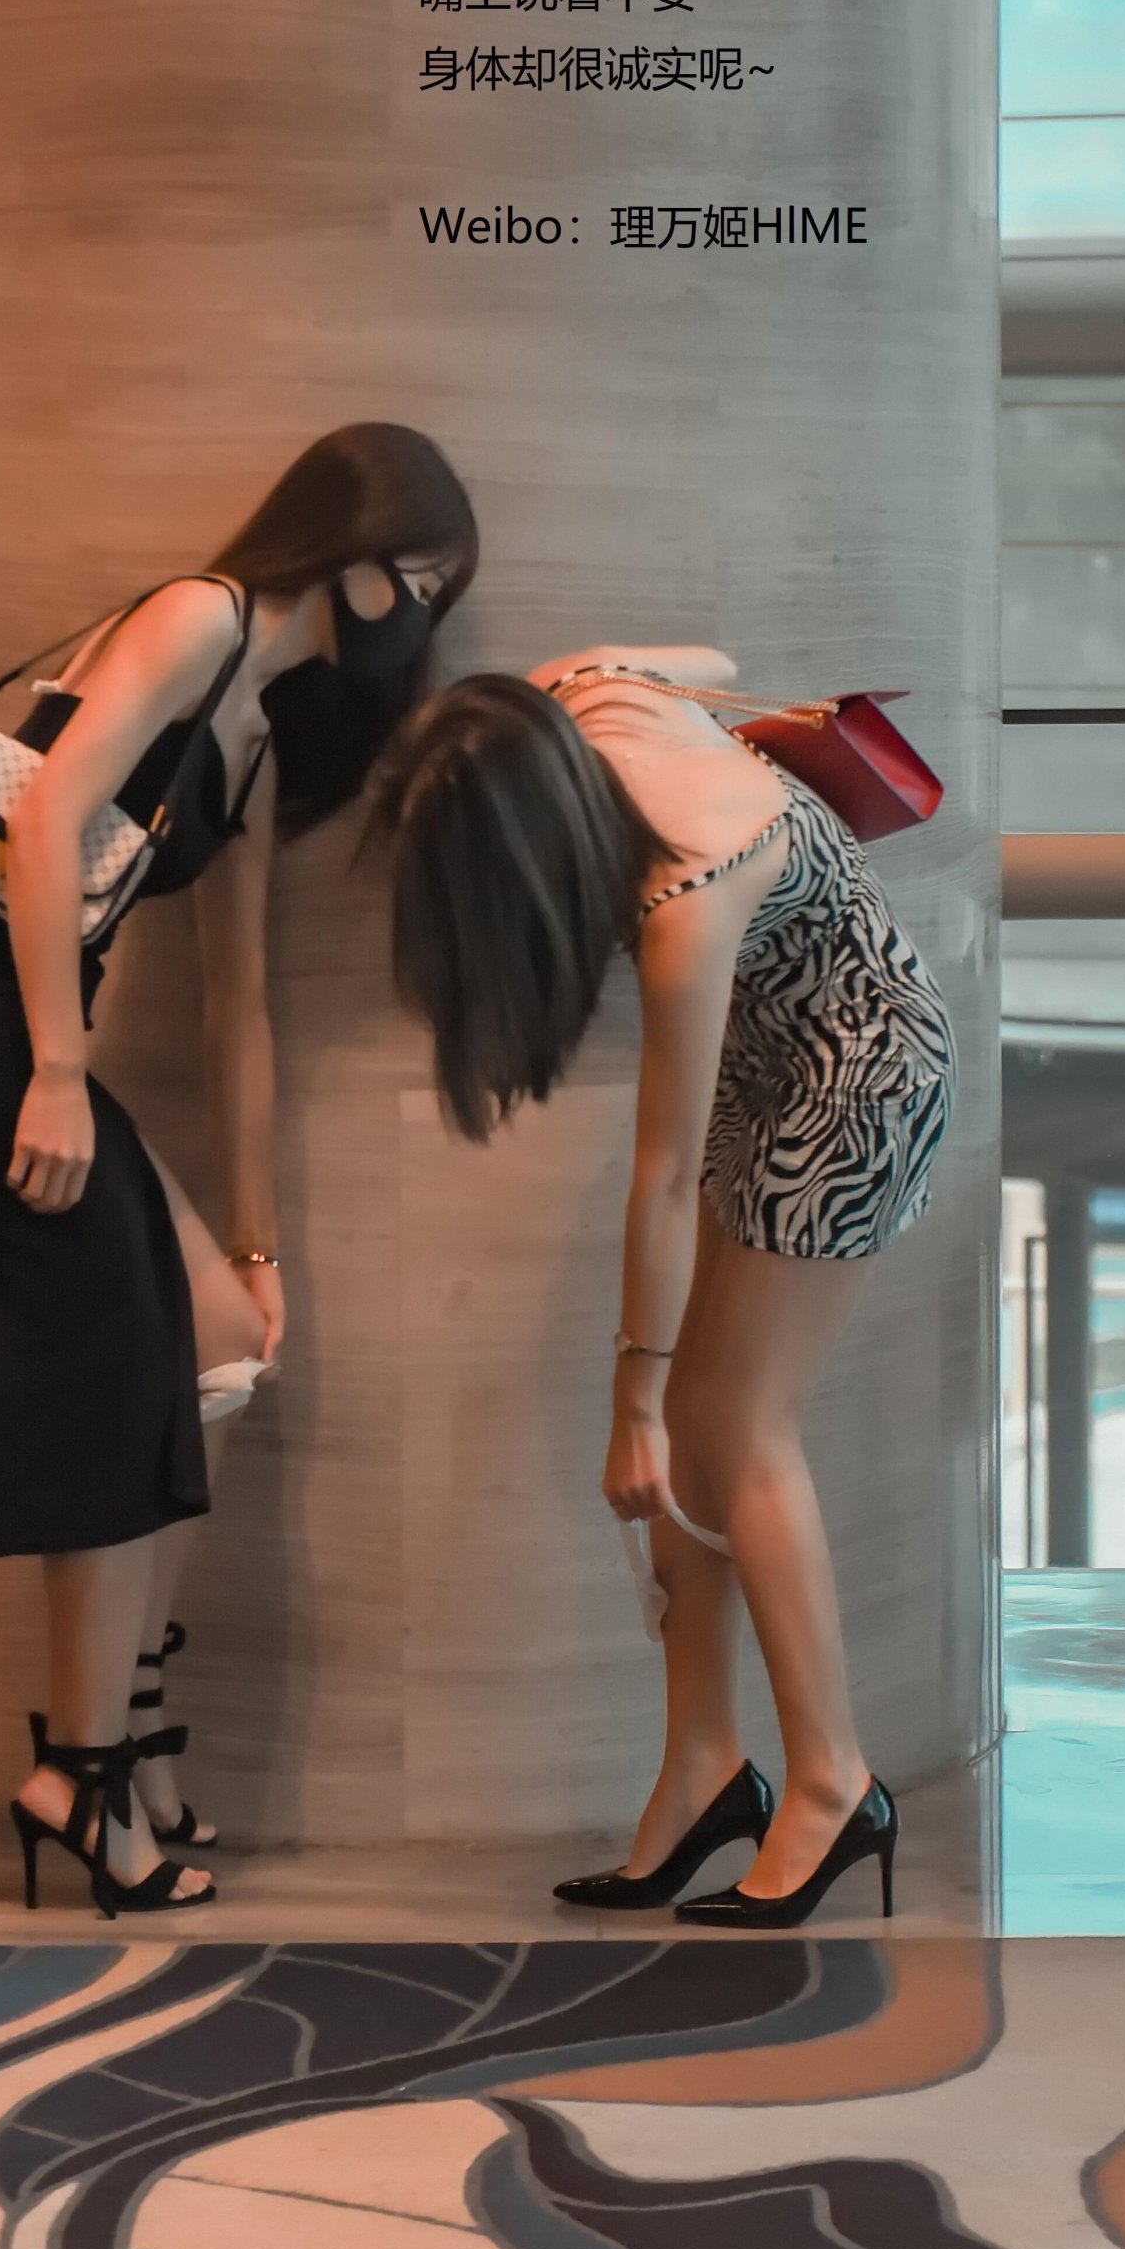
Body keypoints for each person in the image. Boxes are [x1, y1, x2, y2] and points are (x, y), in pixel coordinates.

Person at [0, 423, 478, 1917]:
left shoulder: (258, 730)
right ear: (349, 556)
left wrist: (259, 1252)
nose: (417, 614)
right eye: (415, 580)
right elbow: (42, 816)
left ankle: (124, 1739)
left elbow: (238, 1012)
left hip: (27, 1043)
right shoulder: (196, 615)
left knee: (212, 1344)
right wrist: (58, 1069)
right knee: (109, 1392)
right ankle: (78, 1776)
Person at [373, 651, 954, 1925]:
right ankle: (703, 1768)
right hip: (771, 1054)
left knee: (732, 1428)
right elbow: (713, 664)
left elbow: (661, 1177)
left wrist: (629, 1405)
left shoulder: (689, 893)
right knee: (701, 1437)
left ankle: (832, 1782)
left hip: (862, 1074)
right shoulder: (585, 688)